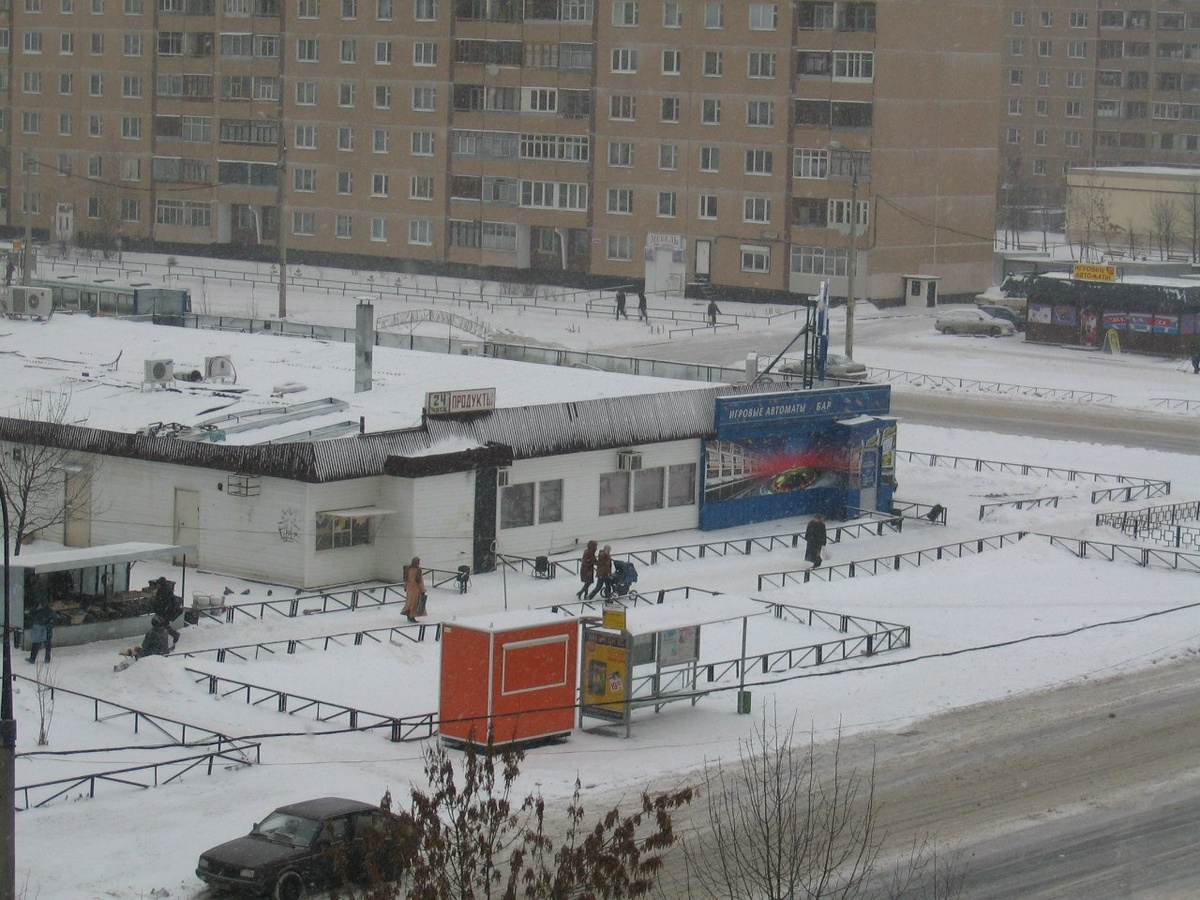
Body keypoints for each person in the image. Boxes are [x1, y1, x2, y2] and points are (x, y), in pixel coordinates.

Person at [26, 599, 55, 664]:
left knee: (46, 644)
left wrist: (48, 625)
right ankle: (32, 658)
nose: (40, 606)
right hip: (39, 629)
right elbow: (30, 614)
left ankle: (47, 658)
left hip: (46, 629)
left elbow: (52, 619)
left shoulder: (48, 611)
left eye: (41, 605)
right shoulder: (38, 610)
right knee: (36, 643)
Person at [403, 556, 426, 622]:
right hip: (416, 589)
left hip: (409, 588)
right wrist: (423, 590)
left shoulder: (408, 569)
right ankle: (412, 616)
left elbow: (406, 580)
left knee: (409, 602)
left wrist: (405, 587)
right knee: (414, 603)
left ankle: (408, 614)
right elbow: (420, 581)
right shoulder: (418, 570)